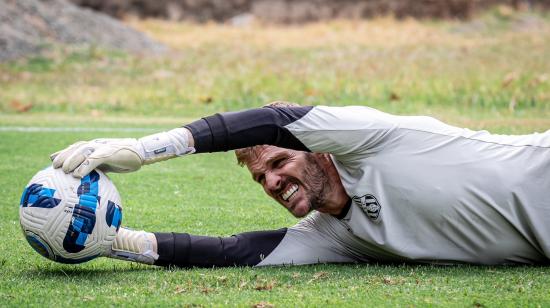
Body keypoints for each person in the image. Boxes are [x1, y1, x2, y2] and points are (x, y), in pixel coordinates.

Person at [50, 102, 550, 266]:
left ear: (318, 146)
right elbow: (238, 251)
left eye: (280, 161)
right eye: (260, 177)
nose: (272, 180)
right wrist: (114, 244)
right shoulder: (337, 237)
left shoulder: (373, 139)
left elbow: (275, 118)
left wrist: (143, 149)